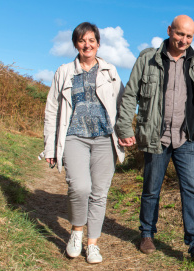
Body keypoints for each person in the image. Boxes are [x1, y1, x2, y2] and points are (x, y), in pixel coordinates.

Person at [116, 15, 194, 265]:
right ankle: (147, 234)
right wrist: (124, 128)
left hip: (187, 138)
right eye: (179, 34)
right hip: (156, 137)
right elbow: (130, 94)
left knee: (192, 193)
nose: (184, 40)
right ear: (169, 31)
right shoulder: (147, 59)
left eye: (189, 36)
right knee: (151, 190)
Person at [43, 22, 125, 264]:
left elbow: (122, 105)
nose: (86, 45)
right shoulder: (64, 71)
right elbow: (52, 110)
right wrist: (50, 146)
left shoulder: (110, 70)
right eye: (81, 41)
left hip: (104, 138)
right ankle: (77, 232)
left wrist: (124, 133)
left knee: (99, 193)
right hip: (74, 137)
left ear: (98, 43)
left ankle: (93, 245)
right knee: (80, 188)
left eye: (91, 40)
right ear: (75, 44)